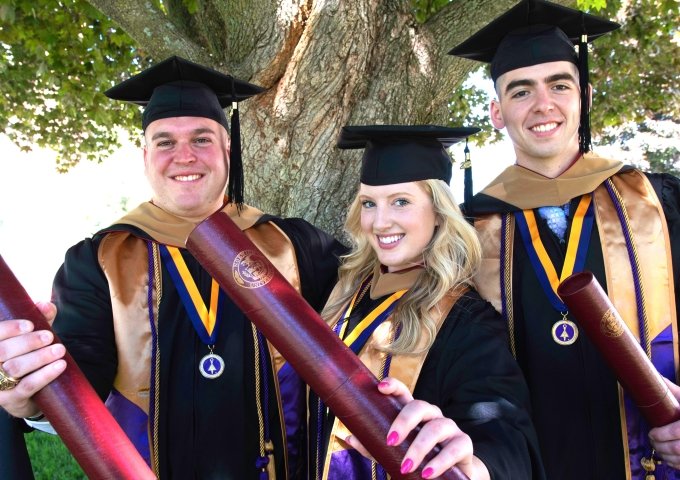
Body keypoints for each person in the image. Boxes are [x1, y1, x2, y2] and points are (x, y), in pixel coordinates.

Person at [0, 56, 346, 479]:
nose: (184, 156)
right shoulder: (98, 260)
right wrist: (30, 393)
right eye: (165, 142)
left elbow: (372, 326)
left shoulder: (294, 245)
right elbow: (79, 377)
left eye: (201, 139)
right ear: (145, 155)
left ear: (228, 151)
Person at [449, 1, 680, 479]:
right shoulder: (466, 232)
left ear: (586, 96)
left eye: (559, 85)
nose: (543, 104)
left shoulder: (659, 203)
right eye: (521, 91)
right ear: (497, 111)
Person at [309, 125, 545, 479]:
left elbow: (503, 432)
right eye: (369, 204)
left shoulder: (466, 321)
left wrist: (474, 466)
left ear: (438, 212)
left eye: (401, 202)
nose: (380, 221)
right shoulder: (342, 293)